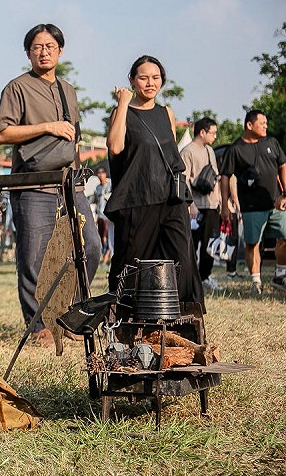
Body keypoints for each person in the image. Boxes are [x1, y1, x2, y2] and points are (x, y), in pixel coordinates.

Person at [0, 23, 101, 345]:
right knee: (33, 257)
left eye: (50, 46)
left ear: (60, 51)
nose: (44, 52)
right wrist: (48, 126)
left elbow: (75, 138)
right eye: (38, 47)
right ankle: (37, 323)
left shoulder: (69, 90)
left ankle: (70, 314)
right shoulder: (17, 87)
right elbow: (2, 134)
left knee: (91, 246)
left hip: (69, 183)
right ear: (28, 52)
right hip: (32, 184)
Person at [105, 55, 203, 307]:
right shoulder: (122, 111)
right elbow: (115, 147)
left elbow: (171, 154)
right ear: (132, 80)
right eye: (144, 77)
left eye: (156, 77)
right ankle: (123, 316)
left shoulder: (166, 112)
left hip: (171, 198)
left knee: (182, 257)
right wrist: (123, 103)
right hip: (137, 198)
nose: (150, 83)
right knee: (132, 260)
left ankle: (182, 316)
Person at [220, 110, 286, 295]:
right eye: (262, 123)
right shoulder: (235, 149)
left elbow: (283, 165)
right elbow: (225, 176)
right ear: (249, 125)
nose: (266, 126)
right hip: (251, 207)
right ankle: (256, 281)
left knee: (285, 236)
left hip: (276, 203)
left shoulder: (272, 143)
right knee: (252, 244)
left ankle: (280, 276)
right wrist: (225, 205)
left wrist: (285, 193)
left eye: (266, 122)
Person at [182, 117, 222, 291]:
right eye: (212, 132)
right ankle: (190, 278)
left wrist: (219, 199)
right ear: (202, 132)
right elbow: (184, 179)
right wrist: (190, 204)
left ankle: (205, 275)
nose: (215, 136)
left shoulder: (210, 151)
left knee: (210, 243)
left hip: (212, 204)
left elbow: (216, 176)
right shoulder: (188, 151)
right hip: (196, 205)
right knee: (191, 244)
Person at [91, 165, 113, 267]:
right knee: (101, 238)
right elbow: (95, 201)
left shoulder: (110, 186)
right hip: (100, 216)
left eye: (102, 173)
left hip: (107, 216)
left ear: (105, 174)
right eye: (98, 173)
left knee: (107, 238)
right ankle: (104, 258)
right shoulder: (97, 188)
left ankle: (105, 260)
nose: (100, 175)